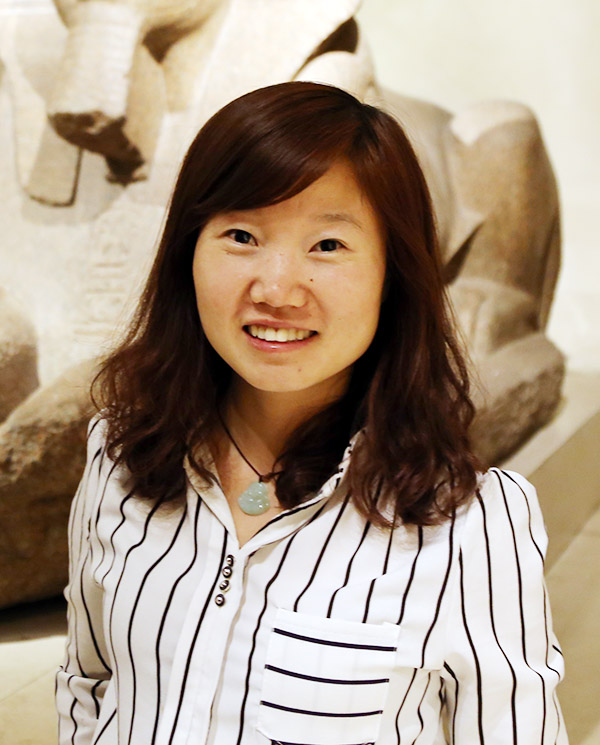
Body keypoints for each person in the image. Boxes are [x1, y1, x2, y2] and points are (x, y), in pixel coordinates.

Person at [55, 81, 568, 745]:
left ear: (393, 275)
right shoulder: (119, 455)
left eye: (327, 245)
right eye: (242, 235)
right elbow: (90, 683)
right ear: (188, 253)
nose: (276, 288)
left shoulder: (471, 521)